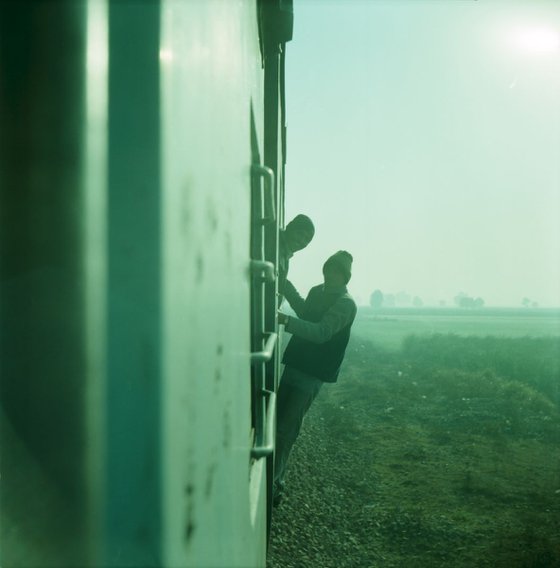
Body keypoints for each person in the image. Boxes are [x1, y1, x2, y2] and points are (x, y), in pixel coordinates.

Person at [274, 250, 357, 504]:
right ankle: (273, 475)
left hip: (311, 375)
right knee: (275, 423)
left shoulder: (345, 303)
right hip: (295, 365)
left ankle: (276, 484)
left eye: (337, 271)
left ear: (345, 277)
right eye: (329, 269)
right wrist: (285, 284)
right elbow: (305, 311)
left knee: (286, 430)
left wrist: (285, 321)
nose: (331, 274)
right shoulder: (316, 292)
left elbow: (321, 332)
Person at [278, 214, 315, 299]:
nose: (301, 241)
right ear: (289, 227)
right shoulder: (274, 243)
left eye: (307, 239)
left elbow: (282, 282)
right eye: (300, 234)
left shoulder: (285, 251)